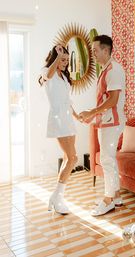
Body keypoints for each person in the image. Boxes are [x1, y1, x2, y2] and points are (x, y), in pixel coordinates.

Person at [77, 35, 125, 216]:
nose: (94, 54)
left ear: (106, 50)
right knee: (109, 159)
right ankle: (117, 196)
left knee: (106, 159)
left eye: (96, 50)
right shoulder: (106, 70)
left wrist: (91, 113)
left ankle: (108, 200)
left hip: (112, 122)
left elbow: (113, 100)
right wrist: (92, 115)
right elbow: (105, 100)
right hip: (107, 121)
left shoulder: (114, 70)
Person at [39, 45, 79, 215]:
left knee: (68, 158)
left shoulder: (64, 76)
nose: (64, 63)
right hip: (58, 120)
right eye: (62, 59)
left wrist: (76, 115)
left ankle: (56, 198)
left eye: (66, 60)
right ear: (55, 57)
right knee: (73, 158)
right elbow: (47, 75)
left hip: (68, 119)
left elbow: (68, 100)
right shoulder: (47, 71)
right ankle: (57, 197)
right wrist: (58, 57)